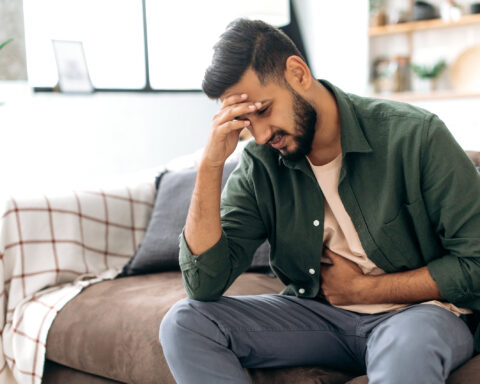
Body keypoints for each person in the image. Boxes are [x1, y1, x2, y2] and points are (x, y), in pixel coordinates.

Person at [160, 19, 480, 384]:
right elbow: (204, 286)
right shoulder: (259, 163)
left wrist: (367, 289)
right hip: (319, 317)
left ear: (297, 73)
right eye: (246, 122)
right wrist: (210, 165)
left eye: (263, 110)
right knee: (186, 323)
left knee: (410, 345)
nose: (261, 135)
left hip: (420, 315)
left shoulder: (414, 136)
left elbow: (476, 262)